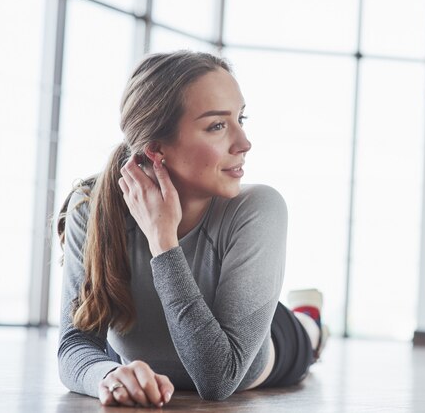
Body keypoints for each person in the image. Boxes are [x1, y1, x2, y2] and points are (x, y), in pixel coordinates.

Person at [56, 50, 327, 407]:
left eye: (240, 118)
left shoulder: (259, 208)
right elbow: (75, 345)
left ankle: (310, 315)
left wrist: (163, 243)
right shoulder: (91, 207)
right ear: (156, 149)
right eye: (217, 126)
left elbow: (217, 379)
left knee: (308, 333)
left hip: (268, 339)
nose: (244, 143)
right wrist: (106, 376)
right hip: (201, 313)